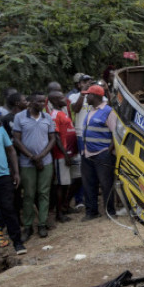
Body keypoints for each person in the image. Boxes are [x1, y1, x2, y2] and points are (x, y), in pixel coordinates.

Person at [11, 92, 55, 238]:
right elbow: (16, 141)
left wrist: (41, 156)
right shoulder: (20, 117)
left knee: (44, 193)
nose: (42, 104)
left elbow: (52, 138)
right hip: (27, 163)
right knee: (29, 195)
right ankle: (28, 226)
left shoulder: (47, 117)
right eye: (39, 102)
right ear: (31, 102)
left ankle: (42, 224)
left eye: (44, 102)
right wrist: (32, 157)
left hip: (45, 161)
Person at [0, 102, 26, 256]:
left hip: (2, 176)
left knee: (8, 209)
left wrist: (16, 172)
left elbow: (11, 150)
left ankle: (17, 242)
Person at [80, 85, 118, 221]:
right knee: (89, 183)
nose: (86, 97)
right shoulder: (90, 110)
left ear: (95, 96)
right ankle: (91, 211)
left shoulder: (108, 112)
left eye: (88, 94)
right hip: (87, 153)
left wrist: (109, 151)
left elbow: (116, 134)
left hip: (102, 154)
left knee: (106, 183)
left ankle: (110, 211)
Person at [47, 91, 79, 222]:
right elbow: (56, 137)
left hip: (72, 153)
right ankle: (59, 213)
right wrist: (65, 154)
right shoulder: (54, 115)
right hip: (62, 155)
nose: (64, 99)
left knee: (75, 179)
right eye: (60, 97)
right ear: (54, 101)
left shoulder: (63, 112)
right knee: (61, 184)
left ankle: (65, 206)